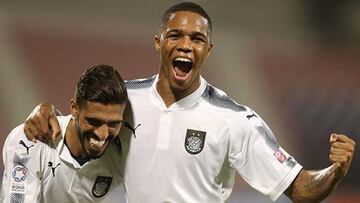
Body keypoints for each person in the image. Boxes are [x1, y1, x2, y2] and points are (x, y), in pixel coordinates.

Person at [21, 2, 355, 203]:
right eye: (175, 36)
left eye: (196, 39)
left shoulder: (234, 120)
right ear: (158, 43)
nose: (185, 45)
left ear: (208, 50)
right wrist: (44, 110)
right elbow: (80, 122)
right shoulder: (126, 99)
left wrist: (335, 171)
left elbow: (298, 189)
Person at [1, 65, 128, 202]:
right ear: (74, 108)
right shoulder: (29, 141)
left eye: (113, 124)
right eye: (93, 121)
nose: (102, 134)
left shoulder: (123, 154)